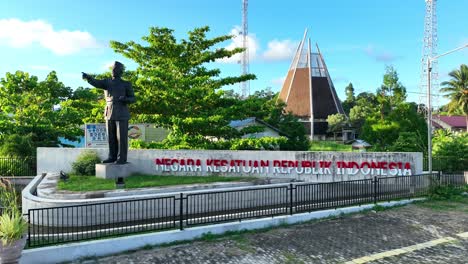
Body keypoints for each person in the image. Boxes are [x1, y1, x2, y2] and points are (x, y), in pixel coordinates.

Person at [82, 61, 135, 164]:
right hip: (109, 112)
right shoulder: (107, 82)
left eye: (116, 69)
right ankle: (112, 156)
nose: (113, 71)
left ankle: (122, 158)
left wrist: (125, 99)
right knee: (111, 137)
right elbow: (96, 83)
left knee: (121, 138)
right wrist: (88, 78)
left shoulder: (126, 84)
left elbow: (133, 98)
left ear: (120, 72)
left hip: (122, 112)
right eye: (113, 69)